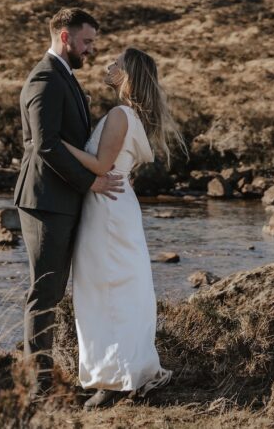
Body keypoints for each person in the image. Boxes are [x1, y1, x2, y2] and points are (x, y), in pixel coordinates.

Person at [62, 47, 185, 409]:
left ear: (127, 74)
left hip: (108, 210)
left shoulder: (120, 114)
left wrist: (57, 144)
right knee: (114, 290)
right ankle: (124, 370)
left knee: (107, 291)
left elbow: (101, 165)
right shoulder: (128, 115)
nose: (108, 65)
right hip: (112, 207)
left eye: (115, 63)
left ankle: (115, 378)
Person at [14, 8, 124, 397]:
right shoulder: (45, 79)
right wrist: (90, 182)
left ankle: (50, 376)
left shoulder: (66, 78)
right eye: (87, 41)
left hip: (61, 198)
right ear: (65, 37)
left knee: (55, 291)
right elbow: (44, 146)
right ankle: (38, 386)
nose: (91, 49)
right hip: (45, 200)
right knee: (44, 292)